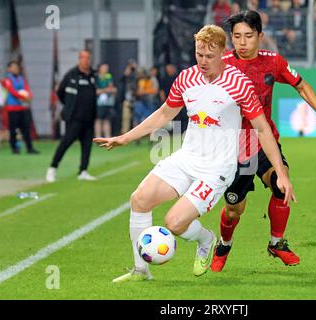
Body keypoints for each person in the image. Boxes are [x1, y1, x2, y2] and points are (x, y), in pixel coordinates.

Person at [93, 24, 295, 282]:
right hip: (185, 159)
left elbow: (263, 130)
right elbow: (165, 114)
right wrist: (125, 137)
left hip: (217, 170)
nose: (203, 61)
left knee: (174, 223)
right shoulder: (186, 78)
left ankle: (206, 239)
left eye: (209, 56)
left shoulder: (239, 84)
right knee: (139, 199)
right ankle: (140, 270)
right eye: (199, 54)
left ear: (223, 52)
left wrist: (281, 173)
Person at [211, 10, 316, 272]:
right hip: (235, 146)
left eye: (248, 36)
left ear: (260, 36)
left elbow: (301, 85)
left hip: (264, 139)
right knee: (234, 208)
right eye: (236, 37)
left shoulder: (273, 62)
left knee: (283, 185)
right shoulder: (220, 65)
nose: (242, 42)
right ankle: (224, 244)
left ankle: (276, 243)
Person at [46, 50, 98, 183]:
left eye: (88, 58)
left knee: (87, 145)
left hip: (89, 118)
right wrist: (69, 106)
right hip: (74, 118)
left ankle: (83, 171)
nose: (86, 61)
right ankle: (52, 168)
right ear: (79, 59)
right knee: (66, 142)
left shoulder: (92, 75)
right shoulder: (71, 74)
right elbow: (60, 92)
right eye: (84, 58)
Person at [2, 61, 39, 155]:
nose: (15, 69)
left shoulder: (21, 79)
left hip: (22, 107)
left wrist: (29, 96)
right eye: (13, 67)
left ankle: (30, 148)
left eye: (16, 67)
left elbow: (27, 89)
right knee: (13, 129)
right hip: (12, 108)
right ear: (9, 69)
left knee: (26, 129)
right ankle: (14, 148)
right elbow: (12, 92)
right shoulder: (7, 80)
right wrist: (24, 97)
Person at [95, 63, 117, 138]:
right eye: (104, 67)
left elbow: (113, 89)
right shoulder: (96, 77)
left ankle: (107, 137)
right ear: (100, 68)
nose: (105, 69)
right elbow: (95, 91)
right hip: (98, 103)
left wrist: (111, 90)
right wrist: (105, 90)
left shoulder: (109, 77)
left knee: (107, 120)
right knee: (98, 119)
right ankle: (98, 137)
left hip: (108, 103)